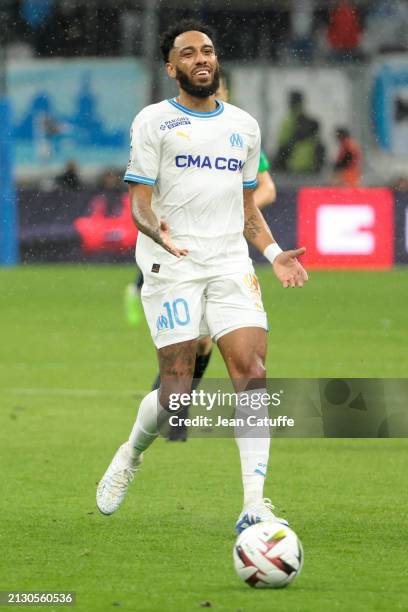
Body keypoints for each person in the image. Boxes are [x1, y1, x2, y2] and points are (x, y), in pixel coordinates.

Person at [96, 20, 308, 534]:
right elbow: (140, 205)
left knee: (252, 373)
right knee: (177, 393)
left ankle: (254, 504)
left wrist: (274, 252)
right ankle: (130, 453)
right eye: (188, 53)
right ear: (172, 68)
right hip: (172, 264)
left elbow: (247, 209)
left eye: (207, 50)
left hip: (231, 262)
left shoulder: (244, 126)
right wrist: (157, 232)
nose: (201, 58)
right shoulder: (153, 123)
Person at [124, 70, 278, 441]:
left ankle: (176, 413)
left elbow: (266, 188)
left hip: (220, 249)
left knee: (206, 341)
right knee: (188, 340)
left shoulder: (239, 132)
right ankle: (169, 407)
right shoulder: (167, 127)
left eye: (222, 89)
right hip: (178, 247)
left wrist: (228, 210)